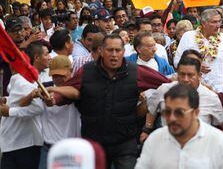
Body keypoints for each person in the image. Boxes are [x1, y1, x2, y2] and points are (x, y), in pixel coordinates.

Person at [44, 34, 170, 169]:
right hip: (94, 141)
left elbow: (166, 83)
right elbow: (71, 90)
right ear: (101, 51)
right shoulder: (87, 71)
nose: (114, 54)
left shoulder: (135, 72)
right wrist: (54, 99)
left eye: (118, 50)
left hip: (125, 142)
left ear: (123, 51)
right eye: (110, 50)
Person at [136, 84, 223, 169]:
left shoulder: (221, 144)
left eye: (179, 112)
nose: (172, 118)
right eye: (167, 112)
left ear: (195, 113)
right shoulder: (155, 140)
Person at [141, 57, 223, 142]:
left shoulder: (211, 98)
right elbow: (152, 110)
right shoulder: (164, 90)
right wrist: (147, 130)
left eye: (190, 75)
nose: (185, 79)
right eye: (181, 74)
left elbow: (219, 124)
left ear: (199, 76)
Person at [0, 42, 47, 169]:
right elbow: (20, 100)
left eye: (11, 62)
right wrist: (7, 99)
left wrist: (10, 111)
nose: (9, 65)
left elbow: (37, 108)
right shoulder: (18, 79)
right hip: (16, 142)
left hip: (24, 145)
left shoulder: (23, 82)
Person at [174, 9, 223, 93]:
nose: (218, 25)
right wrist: (195, 64)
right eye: (214, 22)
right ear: (203, 23)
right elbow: (177, 62)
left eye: (219, 21)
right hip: (192, 89)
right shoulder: (188, 36)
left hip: (217, 90)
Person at [37, 56, 81, 169]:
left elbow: (75, 94)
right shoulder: (43, 88)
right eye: (55, 76)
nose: (59, 79)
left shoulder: (78, 88)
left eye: (62, 75)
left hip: (73, 149)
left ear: (71, 71)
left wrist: (53, 90)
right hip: (49, 148)